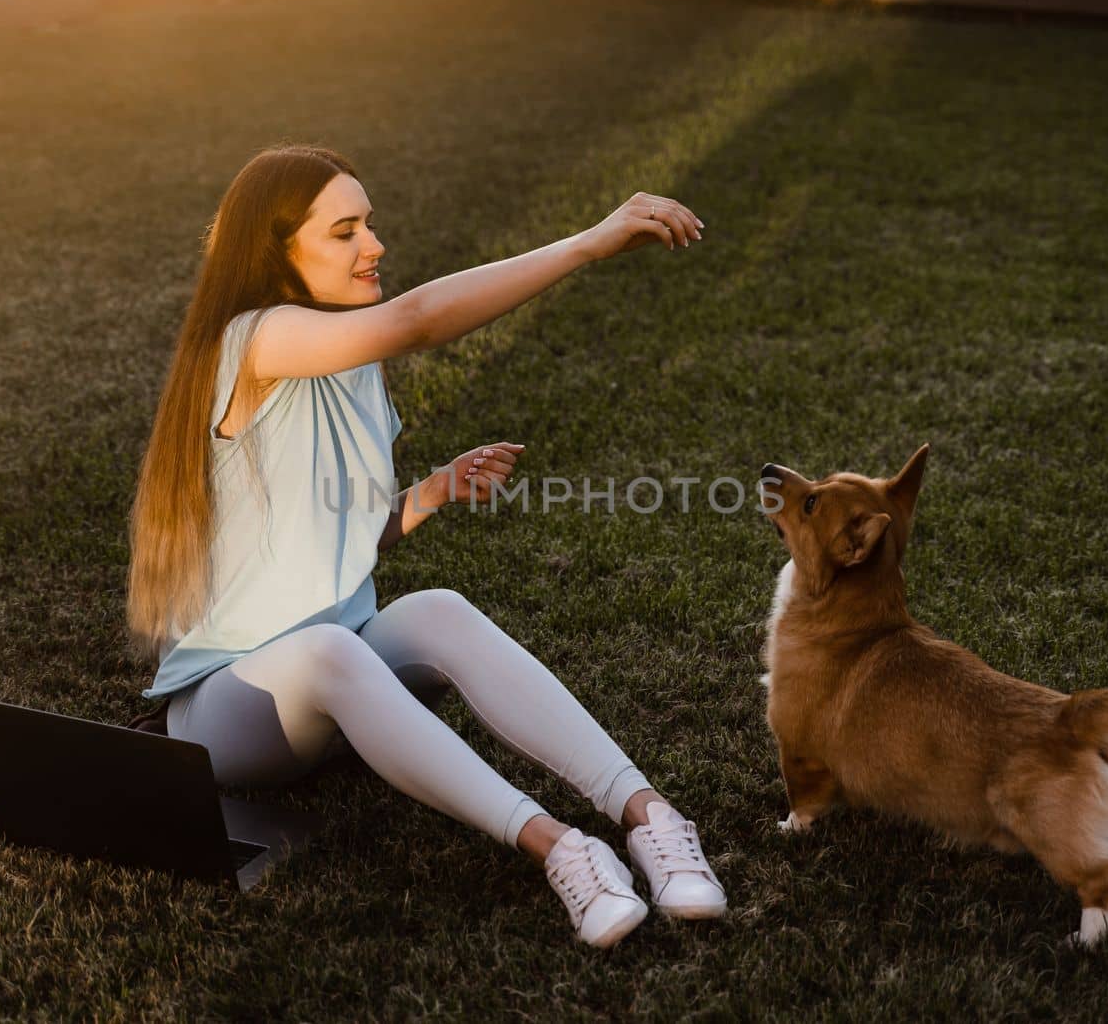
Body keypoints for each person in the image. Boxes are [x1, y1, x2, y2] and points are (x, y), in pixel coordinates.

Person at [125, 143, 724, 947]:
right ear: (278, 250)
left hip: (335, 671)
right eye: (345, 231)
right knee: (330, 647)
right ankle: (562, 849)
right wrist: (585, 243)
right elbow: (416, 318)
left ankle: (652, 818)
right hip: (230, 712)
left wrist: (433, 490)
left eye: (368, 224)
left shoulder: (344, 359)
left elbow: (336, 537)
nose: (373, 245)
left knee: (436, 608)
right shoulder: (251, 339)